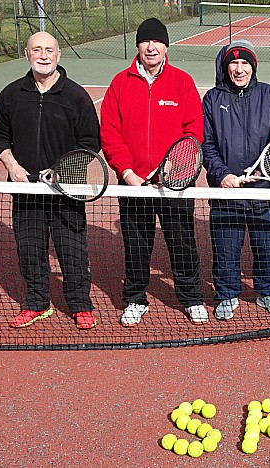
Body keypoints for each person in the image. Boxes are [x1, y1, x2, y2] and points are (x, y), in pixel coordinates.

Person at [0, 32, 100, 329]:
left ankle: (80, 305)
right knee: (30, 250)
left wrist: (67, 169)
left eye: (49, 50)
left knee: (72, 250)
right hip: (25, 192)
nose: (43, 55)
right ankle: (37, 304)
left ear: (59, 55)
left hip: (66, 191)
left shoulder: (76, 96)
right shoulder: (11, 94)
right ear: (27, 54)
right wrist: (11, 165)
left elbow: (90, 142)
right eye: (36, 49)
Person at [100, 18, 207, 326]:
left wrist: (176, 165)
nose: (151, 47)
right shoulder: (120, 83)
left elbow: (194, 131)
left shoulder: (182, 82)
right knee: (136, 246)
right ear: (138, 45)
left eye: (157, 42)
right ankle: (135, 299)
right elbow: (109, 131)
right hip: (134, 185)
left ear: (165, 46)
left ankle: (192, 298)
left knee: (183, 243)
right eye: (146, 41)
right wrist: (127, 171)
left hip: (174, 184)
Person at [202, 40, 270, 319]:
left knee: (268, 248)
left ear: (253, 66)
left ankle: (268, 293)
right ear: (225, 67)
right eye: (233, 63)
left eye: (245, 63)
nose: (239, 70)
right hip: (226, 193)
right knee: (226, 250)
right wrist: (222, 175)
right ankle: (227, 295)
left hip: (264, 190)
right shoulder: (212, 99)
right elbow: (207, 144)